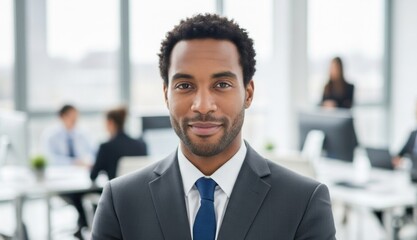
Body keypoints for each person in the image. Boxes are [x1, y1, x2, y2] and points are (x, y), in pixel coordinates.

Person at [91, 14, 336, 240]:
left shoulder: (303, 202)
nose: (203, 106)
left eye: (221, 84)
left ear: (248, 94)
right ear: (166, 95)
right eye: (185, 86)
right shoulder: (121, 201)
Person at [41, 104, 95, 239]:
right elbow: (49, 159)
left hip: (82, 179)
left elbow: (93, 153)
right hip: (61, 181)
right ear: (62, 116)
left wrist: (86, 162)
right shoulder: (51, 135)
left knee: (86, 193)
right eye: (72, 116)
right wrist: (73, 162)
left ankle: (86, 226)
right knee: (77, 195)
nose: (75, 119)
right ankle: (85, 227)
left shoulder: (83, 133)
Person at [90, 107, 147, 181]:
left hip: (115, 191)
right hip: (140, 190)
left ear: (110, 122)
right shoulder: (141, 145)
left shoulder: (106, 147)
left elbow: (93, 176)